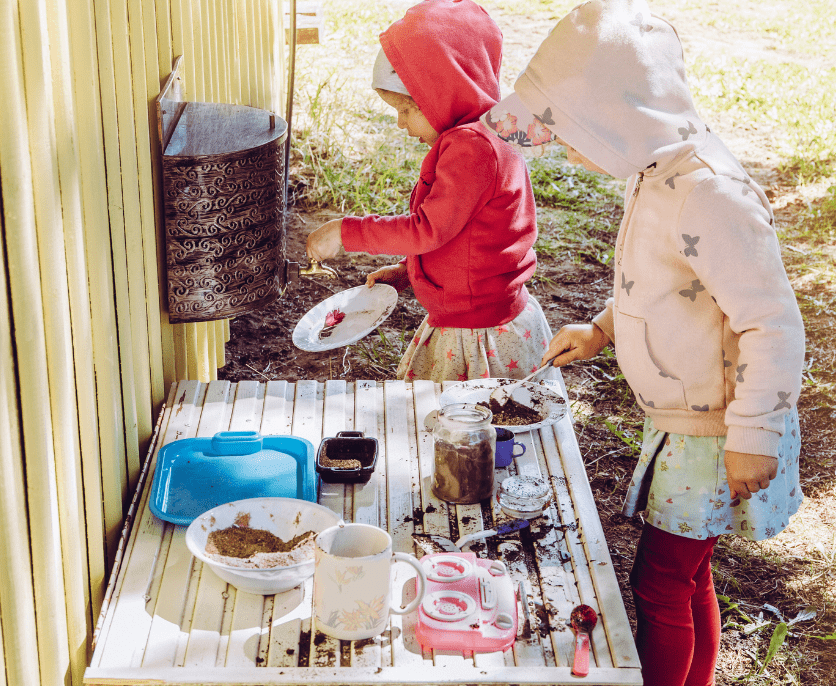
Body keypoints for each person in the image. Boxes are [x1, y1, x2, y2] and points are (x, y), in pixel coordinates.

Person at [478, 1, 805, 684]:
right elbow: (671, 286)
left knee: (659, 582)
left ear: (617, 118)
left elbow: (771, 321)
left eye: (566, 132)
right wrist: (601, 328)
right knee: (684, 574)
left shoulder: (710, 194)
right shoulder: (656, 170)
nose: (556, 147)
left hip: (715, 428)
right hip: (686, 421)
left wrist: (753, 430)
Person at [305, 0, 554, 383]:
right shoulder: (478, 136)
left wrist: (345, 230)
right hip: (475, 312)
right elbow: (469, 237)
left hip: (477, 332)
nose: (400, 123)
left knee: (463, 425)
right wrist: (411, 271)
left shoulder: (472, 149)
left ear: (444, 93)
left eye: (407, 110)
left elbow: (427, 228)